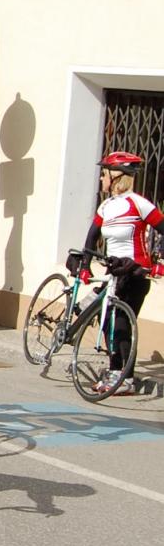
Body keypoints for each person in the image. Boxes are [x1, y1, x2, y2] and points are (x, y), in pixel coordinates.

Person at [75, 151, 164, 393]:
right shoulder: (107, 206)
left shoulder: (138, 203)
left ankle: (125, 378)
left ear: (116, 177)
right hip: (114, 274)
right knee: (103, 319)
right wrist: (84, 266)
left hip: (135, 273)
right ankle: (116, 370)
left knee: (122, 324)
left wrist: (159, 263)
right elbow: (91, 238)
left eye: (104, 173)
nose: (101, 178)